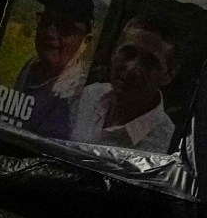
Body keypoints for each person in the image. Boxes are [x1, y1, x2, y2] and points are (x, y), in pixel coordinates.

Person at [68, 15, 185, 153]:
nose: (132, 69)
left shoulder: (165, 146)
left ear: (169, 75)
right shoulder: (89, 95)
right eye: (128, 53)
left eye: (149, 62)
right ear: (114, 52)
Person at [11, 0, 96, 139]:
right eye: (46, 21)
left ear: (86, 41)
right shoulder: (32, 66)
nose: (49, 33)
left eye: (65, 28)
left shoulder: (80, 100)